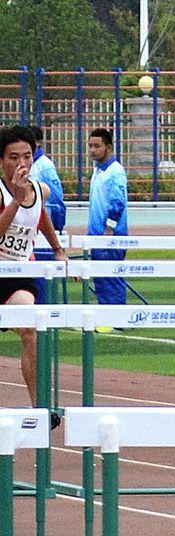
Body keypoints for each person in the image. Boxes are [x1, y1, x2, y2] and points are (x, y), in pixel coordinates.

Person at [0, 125, 69, 414]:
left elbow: (40, 216)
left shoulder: (41, 190)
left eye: (26, 156)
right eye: (14, 157)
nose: (21, 164)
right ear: (2, 161)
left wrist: (58, 249)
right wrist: (15, 198)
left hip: (17, 278)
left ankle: (38, 407)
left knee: (31, 330)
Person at [87, 127, 129, 306]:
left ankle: (116, 318)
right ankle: (107, 316)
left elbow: (118, 202)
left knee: (111, 276)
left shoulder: (116, 171)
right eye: (90, 146)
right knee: (101, 278)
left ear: (108, 147)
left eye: (97, 146)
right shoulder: (98, 170)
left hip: (110, 235)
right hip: (97, 234)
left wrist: (109, 229)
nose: (92, 150)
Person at [27, 125, 66, 304]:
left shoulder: (45, 166)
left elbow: (56, 201)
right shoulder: (28, 166)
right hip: (29, 233)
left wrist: (57, 228)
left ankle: (45, 321)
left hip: (43, 231)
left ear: (37, 143)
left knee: (42, 281)